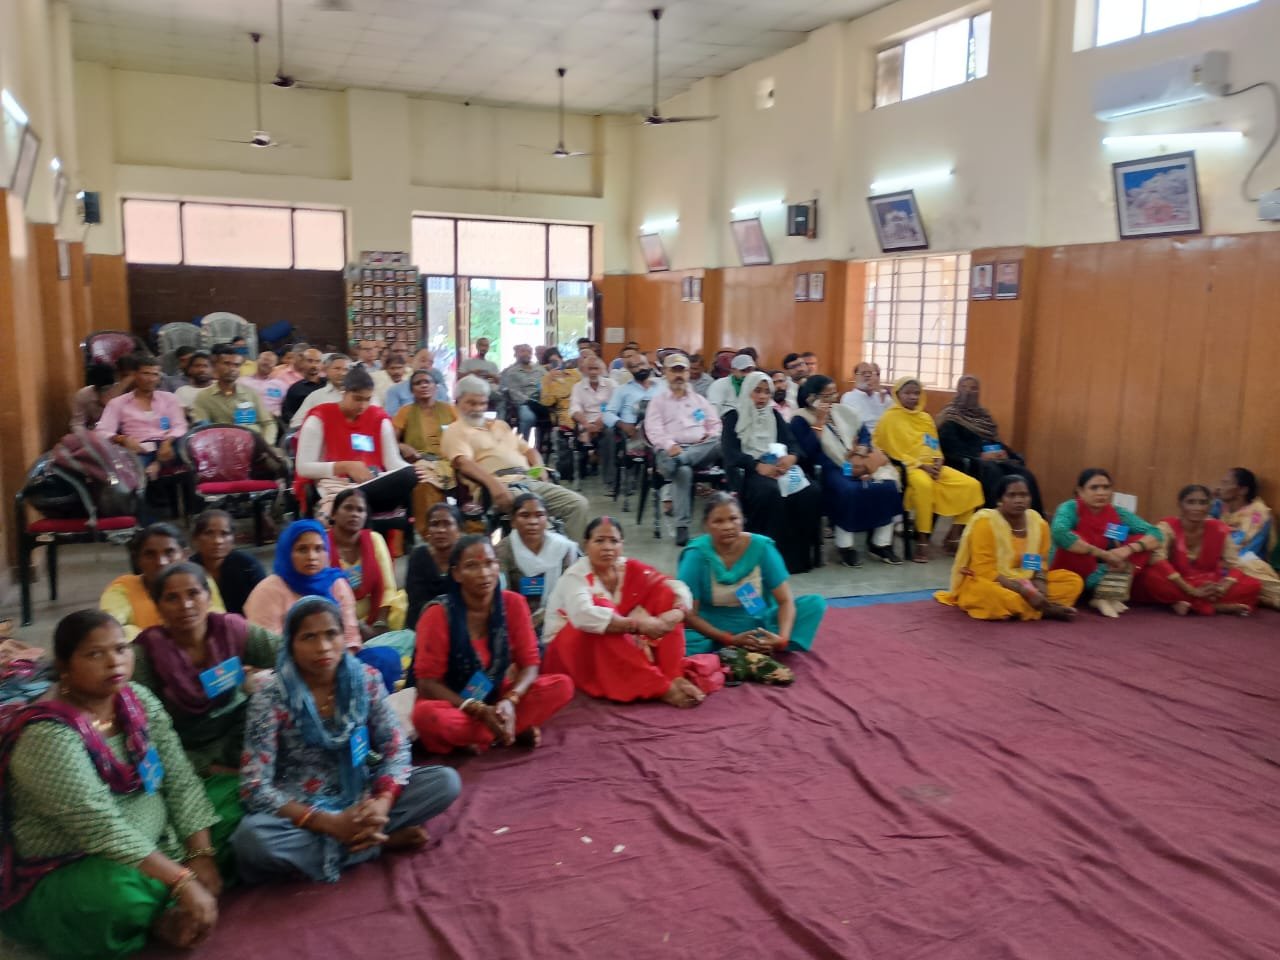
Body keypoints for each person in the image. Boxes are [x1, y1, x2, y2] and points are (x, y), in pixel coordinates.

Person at [0, 610, 223, 959]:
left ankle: (170, 894)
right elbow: (101, 830)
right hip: (79, 864)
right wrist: (183, 879)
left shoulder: (135, 699)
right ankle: (162, 910)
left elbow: (179, 775)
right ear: (64, 666)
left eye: (121, 649)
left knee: (232, 802)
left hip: (157, 841)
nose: (114, 662)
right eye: (95, 654)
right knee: (113, 897)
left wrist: (201, 854)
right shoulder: (47, 734)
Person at [231, 597, 461, 884]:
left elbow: (395, 746)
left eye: (331, 634)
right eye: (309, 637)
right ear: (290, 644)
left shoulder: (365, 680)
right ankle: (379, 842)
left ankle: (354, 839)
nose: (323, 647)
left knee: (445, 782)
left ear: (344, 636)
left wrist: (382, 803)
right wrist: (328, 823)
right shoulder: (270, 698)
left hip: (363, 794)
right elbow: (254, 786)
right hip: (302, 807)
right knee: (251, 841)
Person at [411, 536, 574, 753]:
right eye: (472, 566)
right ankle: (508, 729)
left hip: (497, 697)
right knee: (426, 716)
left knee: (562, 686)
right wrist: (477, 709)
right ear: (456, 573)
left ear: (498, 566)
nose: (484, 573)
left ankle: (486, 733)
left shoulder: (513, 604)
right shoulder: (438, 614)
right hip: (453, 703)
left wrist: (510, 700)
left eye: (490, 563)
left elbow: (530, 665)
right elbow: (427, 684)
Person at [134, 562, 282, 781]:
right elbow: (144, 730)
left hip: (243, 731)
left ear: (209, 597)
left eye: (193, 593)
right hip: (188, 753)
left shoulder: (230, 630)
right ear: (158, 607)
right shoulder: (146, 654)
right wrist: (210, 769)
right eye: (172, 598)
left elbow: (287, 655)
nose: (185, 605)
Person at [543, 517, 711, 708]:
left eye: (614, 541)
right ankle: (661, 687)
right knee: (604, 614)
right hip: (568, 653)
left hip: (611, 644)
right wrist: (637, 625)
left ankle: (673, 674)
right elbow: (584, 617)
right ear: (586, 545)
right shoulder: (575, 576)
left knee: (664, 594)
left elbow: (676, 587)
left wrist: (677, 613)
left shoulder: (628, 568)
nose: (607, 547)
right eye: (599, 541)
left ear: (622, 545)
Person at [242, 521, 407, 693]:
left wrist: (335, 670)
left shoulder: (336, 583)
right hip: (289, 669)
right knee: (261, 683)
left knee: (387, 657)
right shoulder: (267, 591)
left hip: (336, 661)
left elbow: (350, 637)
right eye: (302, 549)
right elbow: (266, 651)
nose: (312, 556)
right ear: (287, 552)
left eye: (319, 549)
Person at [678, 494, 826, 682]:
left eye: (733, 518)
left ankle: (742, 651)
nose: (728, 526)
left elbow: (785, 601)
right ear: (706, 525)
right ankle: (733, 649)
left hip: (759, 621)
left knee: (814, 605)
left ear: (743, 520)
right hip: (711, 626)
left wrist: (781, 639)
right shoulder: (696, 554)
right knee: (676, 638)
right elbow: (690, 615)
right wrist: (728, 638)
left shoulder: (761, 547)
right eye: (718, 521)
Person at [442, 375, 590, 541]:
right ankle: (548, 553)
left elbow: (529, 451)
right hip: (499, 486)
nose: (478, 408)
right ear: (457, 402)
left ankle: (572, 554)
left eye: (482, 403)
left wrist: (539, 468)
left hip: (528, 479)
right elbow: (463, 463)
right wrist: (494, 485)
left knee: (578, 504)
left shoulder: (500, 425)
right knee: (541, 524)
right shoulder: (456, 430)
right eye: (471, 403)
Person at [294, 364, 432, 523]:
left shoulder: (378, 417)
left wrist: (414, 470)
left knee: (409, 474)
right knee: (358, 499)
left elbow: (392, 462)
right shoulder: (320, 417)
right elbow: (303, 468)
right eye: (357, 399)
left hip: (374, 484)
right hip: (338, 485)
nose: (362, 406)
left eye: (367, 399)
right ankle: (339, 502)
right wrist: (345, 467)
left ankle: (333, 506)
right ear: (343, 392)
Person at [935, 475, 1082, 621]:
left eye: (1024, 495)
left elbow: (1038, 562)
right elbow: (984, 570)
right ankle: (1047, 609)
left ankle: (1031, 605)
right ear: (1000, 500)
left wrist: (1040, 585)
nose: (1019, 500)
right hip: (992, 581)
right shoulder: (986, 523)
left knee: (1073, 581)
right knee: (992, 595)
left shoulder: (1038, 524)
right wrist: (1025, 591)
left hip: (1027, 578)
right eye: (1011, 495)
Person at [791, 375, 902, 566]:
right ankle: (845, 547)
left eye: (834, 394)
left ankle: (880, 543)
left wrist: (862, 450)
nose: (832, 399)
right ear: (811, 397)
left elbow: (864, 433)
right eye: (826, 396)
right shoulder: (800, 418)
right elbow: (807, 452)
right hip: (828, 467)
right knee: (849, 490)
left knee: (887, 485)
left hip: (856, 461)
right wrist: (819, 423)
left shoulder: (843, 411)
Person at [720, 370, 822, 573]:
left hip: (779, 467)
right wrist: (757, 466)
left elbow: (792, 444)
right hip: (749, 471)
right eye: (757, 391)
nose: (762, 396)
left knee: (811, 492)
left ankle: (799, 559)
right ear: (747, 390)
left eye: (767, 392)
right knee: (770, 492)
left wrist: (791, 458)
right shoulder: (733, 417)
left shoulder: (774, 415)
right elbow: (730, 453)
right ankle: (767, 559)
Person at [873, 378, 984, 561]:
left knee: (972, 485)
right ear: (898, 394)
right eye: (908, 393)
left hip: (931, 466)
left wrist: (938, 461)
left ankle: (954, 535)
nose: (913, 397)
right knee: (924, 485)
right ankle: (922, 540)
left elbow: (933, 444)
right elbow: (893, 451)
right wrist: (921, 465)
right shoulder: (890, 418)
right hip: (908, 467)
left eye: (916, 393)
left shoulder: (925, 418)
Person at [1132, 484, 1262, 616]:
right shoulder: (1167, 526)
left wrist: (1222, 588)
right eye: (1191, 502)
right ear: (1180, 505)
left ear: (1209, 506)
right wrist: (1191, 591)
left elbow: (1235, 564)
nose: (1197, 508)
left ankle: (1184, 603)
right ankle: (1215, 607)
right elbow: (1159, 560)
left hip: (1208, 582)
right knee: (1150, 577)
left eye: (1202, 503)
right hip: (1176, 581)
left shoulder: (1219, 528)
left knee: (1253, 585)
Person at [1049, 468, 1162, 618]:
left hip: (1102, 569)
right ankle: (1100, 590)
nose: (1101, 493)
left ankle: (1104, 594)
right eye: (1094, 488)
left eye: (1106, 487)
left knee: (1141, 541)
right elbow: (1059, 533)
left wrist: (1128, 549)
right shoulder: (1070, 508)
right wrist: (1102, 554)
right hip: (1070, 569)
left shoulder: (1117, 513)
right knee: (1074, 539)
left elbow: (1156, 533)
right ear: (1080, 491)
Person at [645, 353, 723, 547]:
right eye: (674, 370)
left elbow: (715, 425)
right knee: (684, 471)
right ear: (665, 373)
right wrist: (670, 445)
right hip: (670, 450)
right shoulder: (658, 401)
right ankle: (682, 527)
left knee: (720, 442)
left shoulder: (699, 400)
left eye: (683, 371)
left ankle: (682, 459)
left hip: (699, 449)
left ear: (688, 373)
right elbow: (653, 430)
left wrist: (709, 435)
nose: (679, 375)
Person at [936, 375, 1042, 513]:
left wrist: (1005, 453)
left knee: (1025, 474)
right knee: (993, 472)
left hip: (991, 459)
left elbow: (993, 440)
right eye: (964, 387)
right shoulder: (949, 417)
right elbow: (951, 447)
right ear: (957, 390)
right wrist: (980, 455)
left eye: (973, 388)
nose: (968, 391)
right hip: (968, 462)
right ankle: (995, 517)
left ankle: (1032, 519)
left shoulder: (983, 417)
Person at [102, 524, 226, 641]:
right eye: (150, 555)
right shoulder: (123, 588)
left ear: (185, 555)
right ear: (138, 560)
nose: (161, 562)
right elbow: (109, 626)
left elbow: (216, 621)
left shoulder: (199, 581)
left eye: (169, 552)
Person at [327, 488, 414, 647]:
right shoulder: (321, 545)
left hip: (376, 618)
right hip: (337, 621)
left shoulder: (374, 539)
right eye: (348, 508)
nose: (355, 514)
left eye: (360, 510)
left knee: (404, 614)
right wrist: (355, 627)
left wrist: (380, 623)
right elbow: (322, 595)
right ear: (333, 514)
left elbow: (388, 588)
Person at [495, 493, 581, 635]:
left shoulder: (564, 548)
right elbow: (503, 595)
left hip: (557, 615)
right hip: (516, 619)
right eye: (525, 515)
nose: (533, 522)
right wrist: (524, 622)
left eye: (539, 515)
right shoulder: (503, 550)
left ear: (547, 519)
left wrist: (544, 616)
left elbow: (570, 591)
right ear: (513, 521)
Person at [95, 355, 187, 480]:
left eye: (155, 374)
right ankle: (154, 468)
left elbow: (180, 426)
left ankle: (157, 465)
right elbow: (101, 431)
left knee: (185, 445)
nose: (151, 379)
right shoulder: (118, 403)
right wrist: (123, 439)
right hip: (139, 447)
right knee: (131, 471)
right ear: (135, 375)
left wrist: (167, 441)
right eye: (146, 373)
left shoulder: (169, 398)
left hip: (168, 444)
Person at [392, 368, 457, 539]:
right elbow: (390, 440)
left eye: (427, 382)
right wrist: (402, 446)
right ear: (411, 390)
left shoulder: (449, 409)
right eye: (418, 383)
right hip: (421, 460)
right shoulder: (405, 412)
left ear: (436, 386)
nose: (423, 386)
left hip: (449, 461)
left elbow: (464, 434)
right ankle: (428, 535)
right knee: (424, 483)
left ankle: (465, 532)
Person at [1212, 467, 1280, 608]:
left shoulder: (1258, 514)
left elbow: (1244, 552)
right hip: (1220, 562)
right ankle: (1264, 599)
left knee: (1245, 566)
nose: (1219, 488)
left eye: (1226, 483)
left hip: (1243, 563)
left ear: (1242, 490)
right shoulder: (1219, 506)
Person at [192, 343, 276, 443]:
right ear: (215, 366)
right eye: (226, 363)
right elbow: (203, 430)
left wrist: (266, 445)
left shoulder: (251, 393)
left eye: (236, 365)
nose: (232, 369)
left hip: (255, 444)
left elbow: (268, 423)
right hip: (222, 445)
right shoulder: (204, 397)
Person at [191, 509, 265, 616]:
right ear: (196, 538)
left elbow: (264, 604)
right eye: (209, 533)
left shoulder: (247, 566)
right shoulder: (189, 570)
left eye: (224, 534)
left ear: (233, 539)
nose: (218, 541)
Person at [406, 503, 465, 631]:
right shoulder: (419, 556)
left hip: (463, 624)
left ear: (459, 530)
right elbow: (416, 604)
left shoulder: (466, 557)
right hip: (424, 624)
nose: (440, 530)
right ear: (428, 531)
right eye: (434, 524)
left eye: (447, 524)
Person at [291, 353, 380, 431]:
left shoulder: (363, 395)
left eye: (346, 369)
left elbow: (376, 417)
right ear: (326, 370)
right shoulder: (316, 396)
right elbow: (296, 423)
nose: (342, 373)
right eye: (337, 368)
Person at [604, 351, 666, 452]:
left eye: (642, 364)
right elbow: (608, 414)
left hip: (661, 430)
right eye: (635, 366)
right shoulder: (622, 390)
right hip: (633, 434)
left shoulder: (662, 386)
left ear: (648, 365)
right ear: (629, 370)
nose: (640, 368)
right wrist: (622, 424)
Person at [569, 354, 617, 484]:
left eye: (596, 368)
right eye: (590, 369)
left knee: (609, 432)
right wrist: (586, 424)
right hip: (586, 422)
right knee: (592, 432)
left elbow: (615, 406)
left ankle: (609, 478)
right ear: (584, 370)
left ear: (601, 370)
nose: (593, 372)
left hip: (606, 421)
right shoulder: (577, 387)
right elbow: (574, 409)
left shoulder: (611, 384)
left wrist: (602, 420)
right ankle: (593, 454)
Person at [500, 343, 544, 439]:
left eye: (529, 352)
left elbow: (549, 382)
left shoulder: (540, 369)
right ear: (517, 354)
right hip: (524, 403)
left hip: (542, 402)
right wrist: (529, 401)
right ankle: (522, 444)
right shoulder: (511, 372)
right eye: (523, 351)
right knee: (528, 418)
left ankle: (545, 445)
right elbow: (513, 392)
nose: (526, 354)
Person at [385, 349, 450, 415]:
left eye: (430, 363)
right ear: (412, 360)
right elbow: (392, 416)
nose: (426, 365)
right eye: (423, 360)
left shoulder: (440, 390)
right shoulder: (395, 390)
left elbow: (447, 414)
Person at [840, 361, 893, 434]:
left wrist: (882, 403)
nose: (868, 375)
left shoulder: (884, 397)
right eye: (863, 373)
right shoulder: (848, 397)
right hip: (862, 437)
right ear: (855, 377)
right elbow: (850, 425)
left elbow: (892, 421)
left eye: (871, 373)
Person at [280, 347, 326, 426]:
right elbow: (288, 415)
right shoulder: (295, 389)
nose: (314, 365)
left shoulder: (329, 384)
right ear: (302, 363)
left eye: (318, 361)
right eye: (310, 361)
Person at [539, 347, 581, 430]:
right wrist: (549, 379)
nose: (555, 364)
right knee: (571, 426)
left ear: (561, 360)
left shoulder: (574, 373)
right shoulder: (546, 379)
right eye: (551, 362)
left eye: (556, 361)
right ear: (546, 365)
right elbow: (547, 402)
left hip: (581, 406)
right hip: (563, 412)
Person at [240, 349, 287, 418]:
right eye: (264, 359)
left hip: (273, 419)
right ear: (257, 361)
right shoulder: (242, 381)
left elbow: (286, 407)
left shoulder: (281, 385)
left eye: (270, 361)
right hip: (248, 418)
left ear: (274, 366)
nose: (266, 363)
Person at [70, 361, 117, 431]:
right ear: (95, 387)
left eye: (109, 388)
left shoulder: (121, 392)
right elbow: (77, 424)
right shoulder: (83, 395)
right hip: (93, 431)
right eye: (102, 389)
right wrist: (87, 435)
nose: (106, 392)